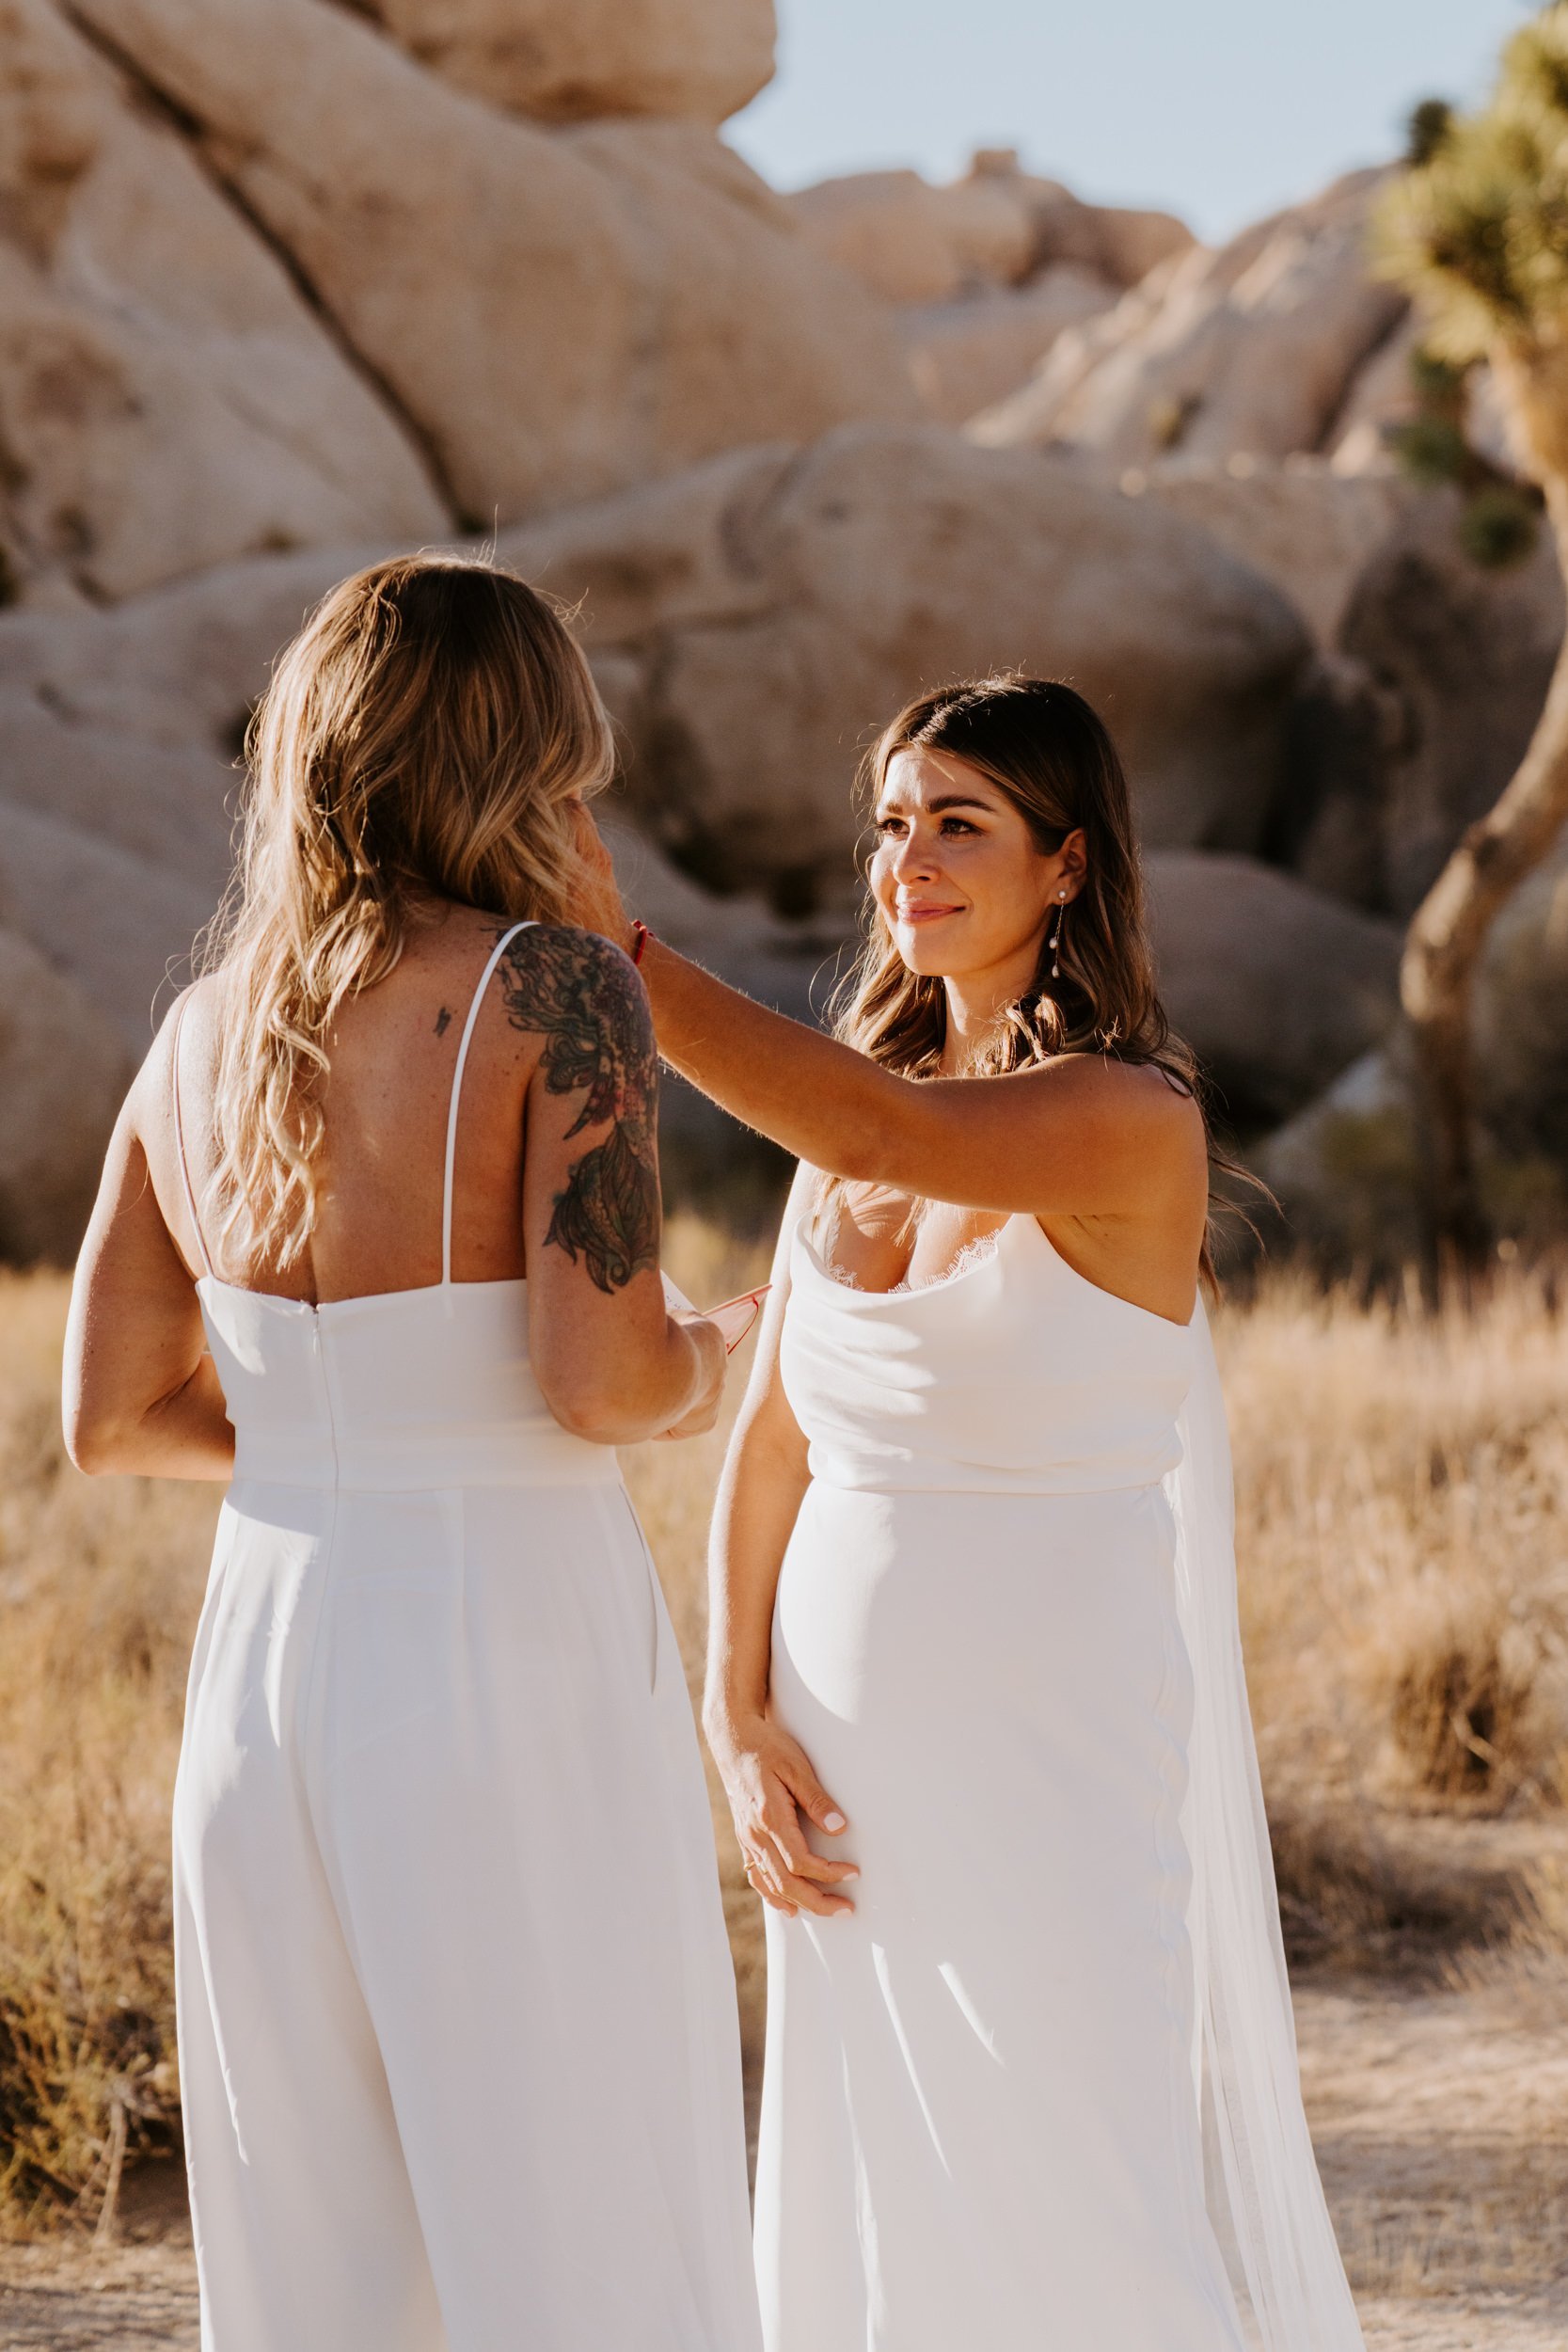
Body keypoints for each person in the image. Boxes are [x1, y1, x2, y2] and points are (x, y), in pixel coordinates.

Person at [570, 674, 1366, 2352]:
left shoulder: (1131, 1118)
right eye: (889, 824)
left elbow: (898, 1130)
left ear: (1069, 865)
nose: (907, 861)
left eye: (958, 823)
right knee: (876, 2185)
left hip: (1048, 1753)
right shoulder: (846, 1105)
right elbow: (775, 1437)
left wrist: (621, 959)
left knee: (1071, 2175)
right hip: (845, 1775)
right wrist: (733, 1707)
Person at [62, 555, 762, 2352]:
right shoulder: (561, 995)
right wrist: (722, 1355)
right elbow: (603, 1385)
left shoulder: (200, 1030)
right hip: (500, 1638)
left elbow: (116, 1414)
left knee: (314, 2221)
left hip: (264, 1653)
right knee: (572, 2173)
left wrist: (338, 1454)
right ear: (525, 756)